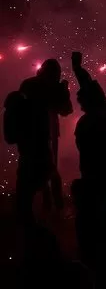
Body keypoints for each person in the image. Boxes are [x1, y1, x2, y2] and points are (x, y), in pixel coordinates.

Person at [69, 52, 106, 273]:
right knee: (100, 209)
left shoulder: (97, 119)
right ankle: (102, 252)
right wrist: (77, 69)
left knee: (92, 212)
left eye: (82, 101)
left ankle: (95, 256)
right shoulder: (104, 111)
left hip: (100, 172)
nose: (80, 105)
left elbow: (93, 152)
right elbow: (90, 86)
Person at [7, 59, 72, 223]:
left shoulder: (29, 84)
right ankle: (52, 207)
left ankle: (35, 208)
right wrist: (64, 90)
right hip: (42, 134)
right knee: (49, 169)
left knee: (31, 170)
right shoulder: (49, 86)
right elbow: (65, 110)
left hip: (30, 135)